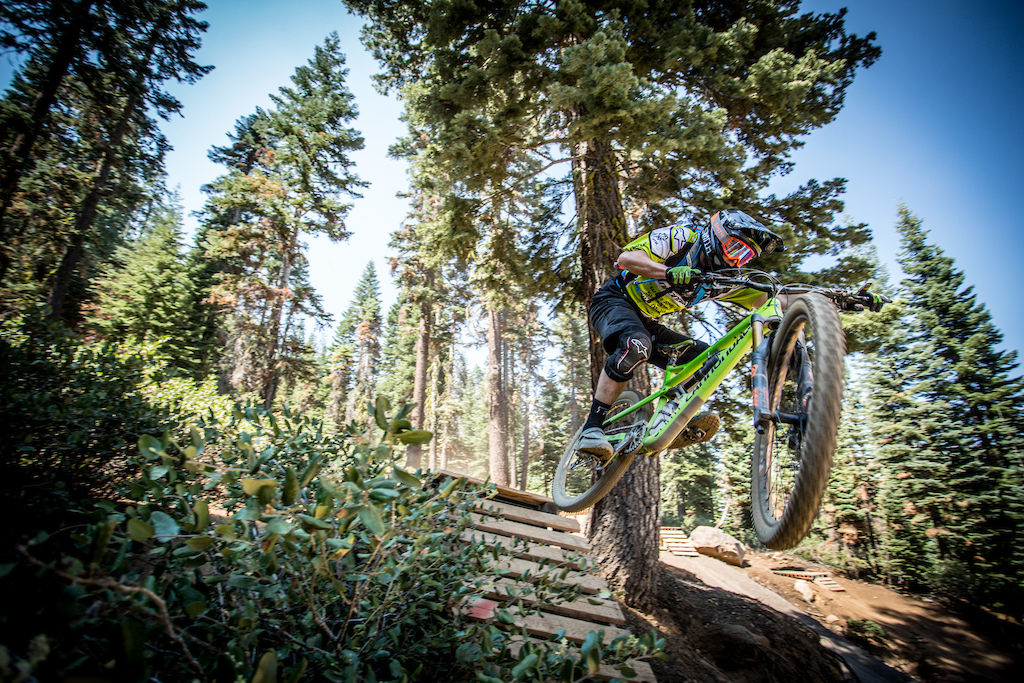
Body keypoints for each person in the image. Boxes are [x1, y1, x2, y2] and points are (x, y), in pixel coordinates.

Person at [577, 209, 786, 458]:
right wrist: (666, 271)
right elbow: (627, 259)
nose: (735, 261)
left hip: (647, 321)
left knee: (706, 359)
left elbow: (773, 299)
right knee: (637, 345)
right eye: (735, 249)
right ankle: (591, 429)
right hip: (614, 300)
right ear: (717, 237)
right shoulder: (682, 237)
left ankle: (672, 418)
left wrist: (826, 298)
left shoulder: (722, 279)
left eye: (745, 257)